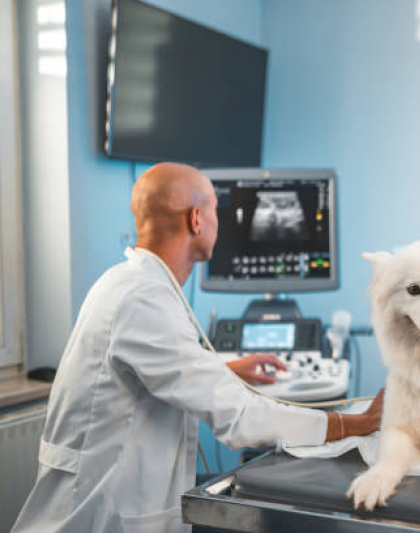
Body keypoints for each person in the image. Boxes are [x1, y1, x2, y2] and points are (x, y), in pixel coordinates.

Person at [12, 162, 383, 533]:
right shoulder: (144, 299)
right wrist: (351, 423)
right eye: (214, 211)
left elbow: (160, 372)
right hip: (101, 516)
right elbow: (239, 418)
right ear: (196, 220)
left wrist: (227, 369)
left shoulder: (127, 283)